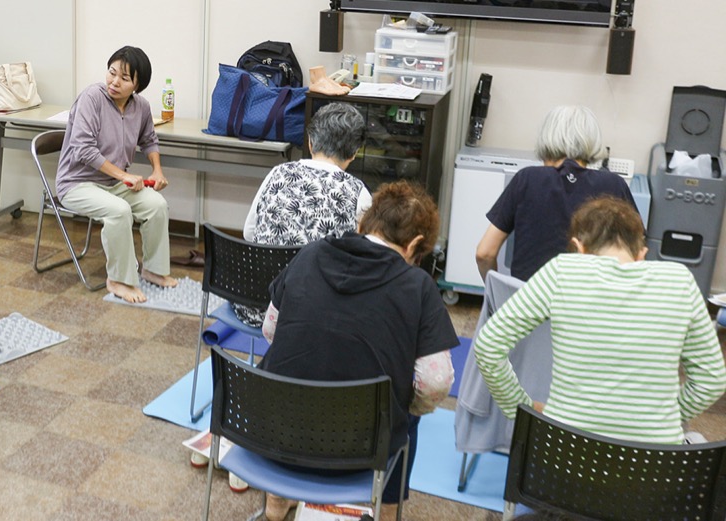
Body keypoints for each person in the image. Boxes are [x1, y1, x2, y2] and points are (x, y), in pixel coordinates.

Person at [257, 181, 457, 520]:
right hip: (364, 446)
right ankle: (386, 511)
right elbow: (435, 383)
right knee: (410, 413)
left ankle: (276, 505)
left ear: (363, 225)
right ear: (415, 245)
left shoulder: (310, 253)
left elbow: (270, 330)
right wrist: (404, 404)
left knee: (287, 374)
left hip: (276, 431)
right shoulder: (419, 286)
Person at [474, 197, 726, 445]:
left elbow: (487, 346)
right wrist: (666, 417)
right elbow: (712, 379)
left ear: (578, 247)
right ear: (642, 255)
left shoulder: (562, 271)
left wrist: (523, 409)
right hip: (651, 471)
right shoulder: (679, 281)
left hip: (560, 462)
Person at [55, 45, 175, 303]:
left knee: (157, 205)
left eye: (125, 78)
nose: (114, 82)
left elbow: (150, 140)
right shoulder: (92, 98)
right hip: (77, 183)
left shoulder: (140, 107)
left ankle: (153, 270)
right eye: (112, 73)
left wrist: (157, 169)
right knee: (119, 211)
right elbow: (83, 150)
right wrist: (124, 176)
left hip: (112, 183)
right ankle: (118, 281)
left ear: (137, 85)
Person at [234, 102, 372, 326]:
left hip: (256, 306)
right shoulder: (358, 193)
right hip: (316, 320)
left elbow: (249, 234)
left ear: (309, 142)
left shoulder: (278, 173)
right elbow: (365, 261)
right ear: (355, 153)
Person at [475, 105, 635, 282]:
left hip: (530, 303)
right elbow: (635, 257)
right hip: (587, 304)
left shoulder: (526, 179)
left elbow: (484, 253)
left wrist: (497, 294)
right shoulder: (613, 185)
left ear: (546, 139)